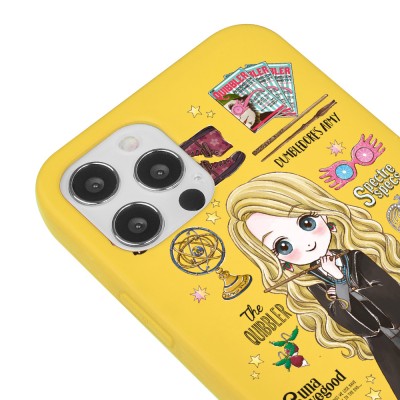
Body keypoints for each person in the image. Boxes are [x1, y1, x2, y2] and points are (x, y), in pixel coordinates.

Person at [227, 172, 400, 397]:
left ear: (324, 216)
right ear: (276, 259)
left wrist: (342, 284)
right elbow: (361, 326)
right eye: (284, 246)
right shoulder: (313, 285)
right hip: (387, 351)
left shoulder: (356, 257)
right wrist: (340, 283)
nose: (307, 243)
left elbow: (393, 298)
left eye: (306, 223)